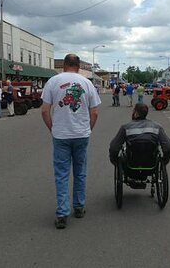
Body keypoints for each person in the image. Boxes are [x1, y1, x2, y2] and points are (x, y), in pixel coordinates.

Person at [41, 53, 101, 229]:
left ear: (64, 65)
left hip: (61, 135)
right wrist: (88, 128)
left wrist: (53, 129)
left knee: (62, 174)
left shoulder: (53, 82)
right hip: (81, 133)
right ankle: (79, 207)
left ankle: (62, 214)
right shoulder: (87, 83)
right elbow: (95, 112)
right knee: (80, 171)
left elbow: (45, 111)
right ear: (79, 66)